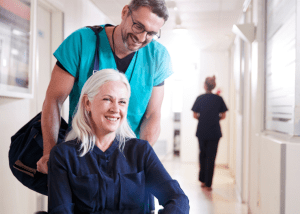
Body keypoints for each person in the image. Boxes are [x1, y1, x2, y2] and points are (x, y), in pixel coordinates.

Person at [37, 0, 172, 174]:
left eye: (151, 33)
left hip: (128, 160)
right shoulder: (81, 42)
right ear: (125, 12)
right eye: (138, 26)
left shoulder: (157, 56)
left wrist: (140, 156)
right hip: (81, 155)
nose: (141, 37)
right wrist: (50, 153)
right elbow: (53, 100)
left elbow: (153, 114)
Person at [48, 69, 189, 214]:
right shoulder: (63, 155)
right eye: (107, 99)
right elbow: (61, 210)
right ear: (87, 103)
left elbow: (178, 198)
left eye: (122, 102)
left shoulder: (141, 151)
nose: (116, 109)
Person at [191, 75, 228, 191]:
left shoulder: (200, 98)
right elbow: (223, 115)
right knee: (211, 157)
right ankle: (208, 184)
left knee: (202, 155)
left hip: (202, 131)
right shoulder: (219, 99)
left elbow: (195, 115)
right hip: (215, 132)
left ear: (205, 85)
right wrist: (214, 119)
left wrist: (203, 119)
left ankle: (202, 180)